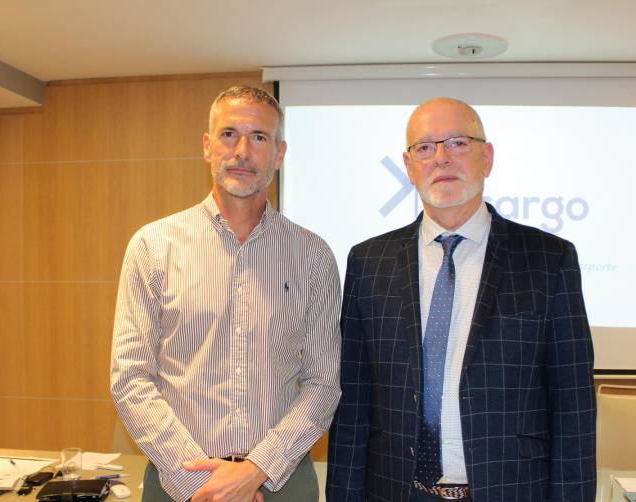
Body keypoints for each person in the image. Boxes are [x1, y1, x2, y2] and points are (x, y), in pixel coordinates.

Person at [327, 97, 596, 501]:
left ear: (486, 157)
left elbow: (573, 405)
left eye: (457, 143)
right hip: (397, 492)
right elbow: (354, 404)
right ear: (409, 165)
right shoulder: (368, 262)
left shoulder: (548, 259)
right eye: (425, 147)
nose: (441, 158)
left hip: (511, 492)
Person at [110, 85, 341, 502]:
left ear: (279, 153)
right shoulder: (153, 246)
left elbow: (323, 383)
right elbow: (130, 379)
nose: (243, 151)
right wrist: (204, 485)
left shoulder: (314, 256)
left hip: (281, 483)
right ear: (207, 145)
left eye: (259, 137)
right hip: (179, 481)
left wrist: (256, 470)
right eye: (229, 134)